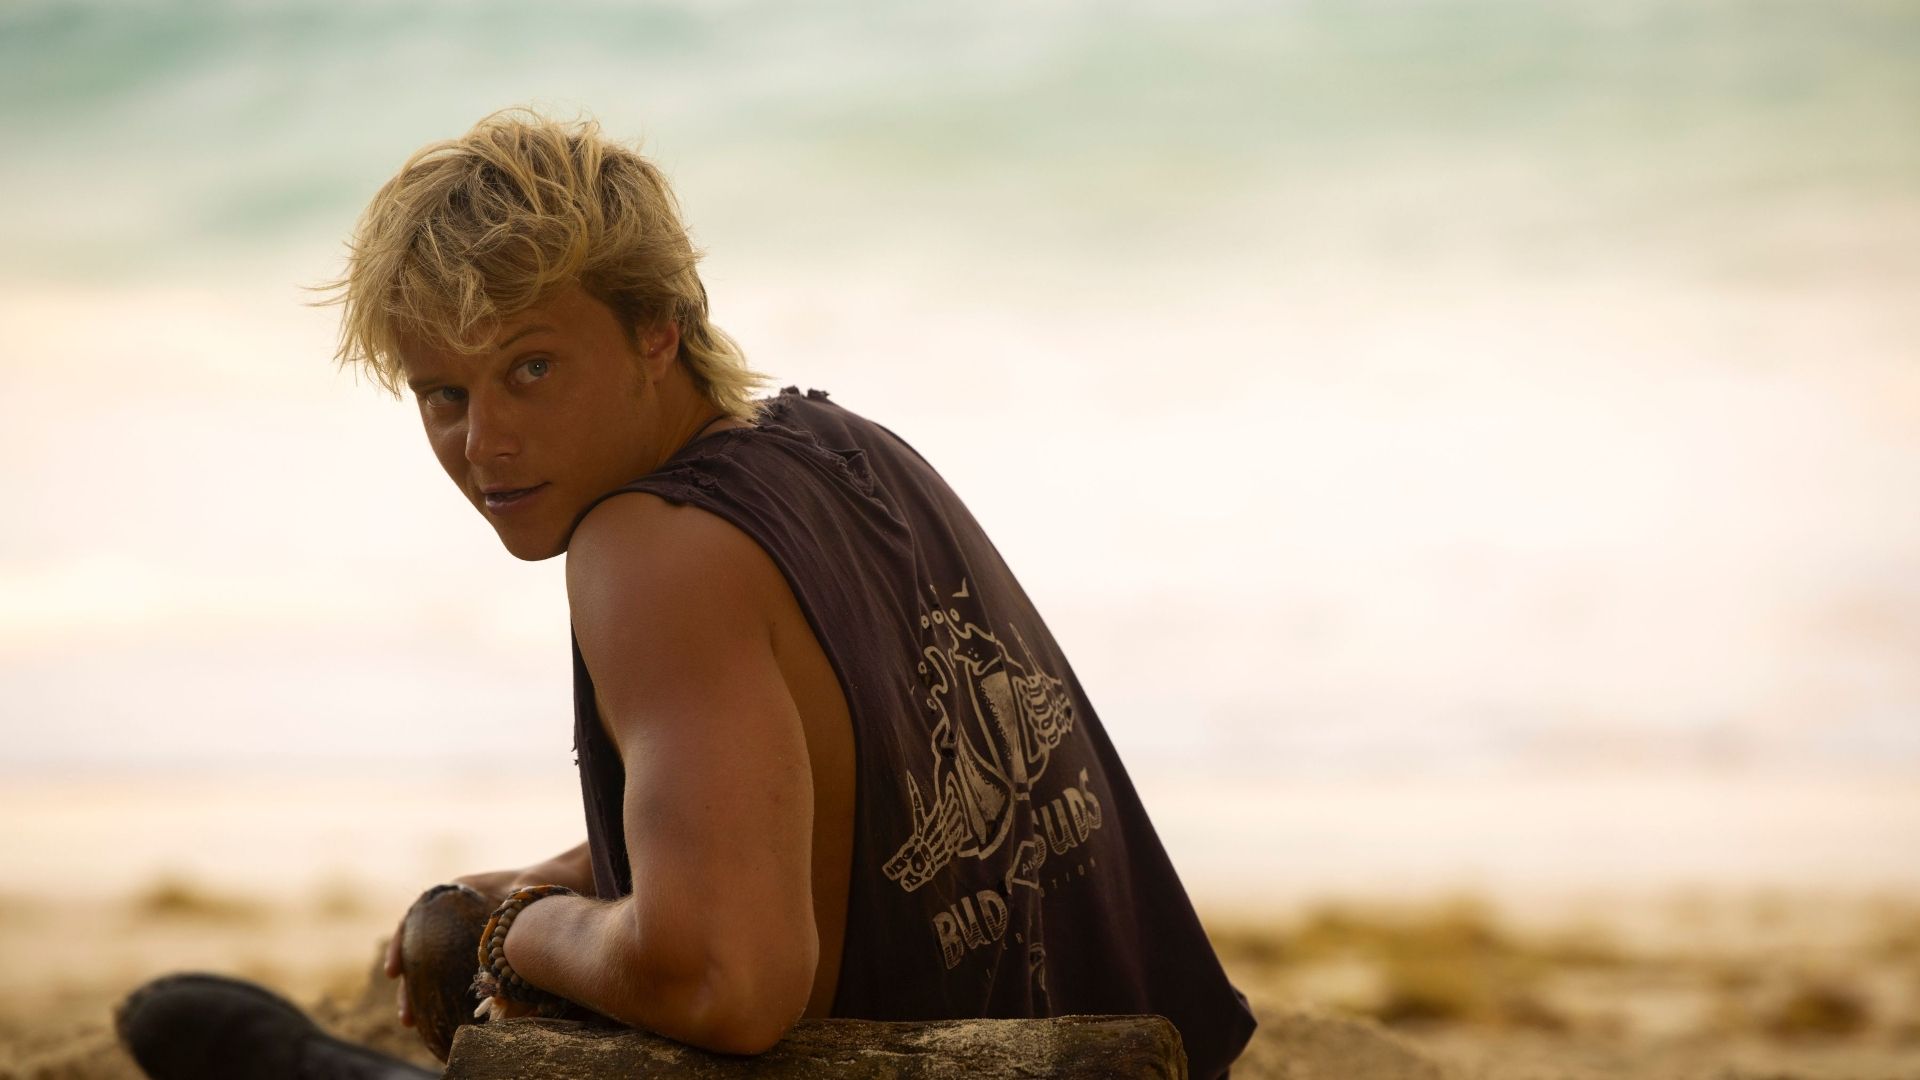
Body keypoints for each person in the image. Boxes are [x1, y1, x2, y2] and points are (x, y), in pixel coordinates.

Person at [115, 109, 1255, 1080]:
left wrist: (521, 932)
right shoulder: (845, 452)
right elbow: (868, 802)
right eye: (443, 394)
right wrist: (554, 878)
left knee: (205, 1031)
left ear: (657, 326)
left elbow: (731, 982)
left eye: (532, 367)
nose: (486, 443)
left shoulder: (647, 551)